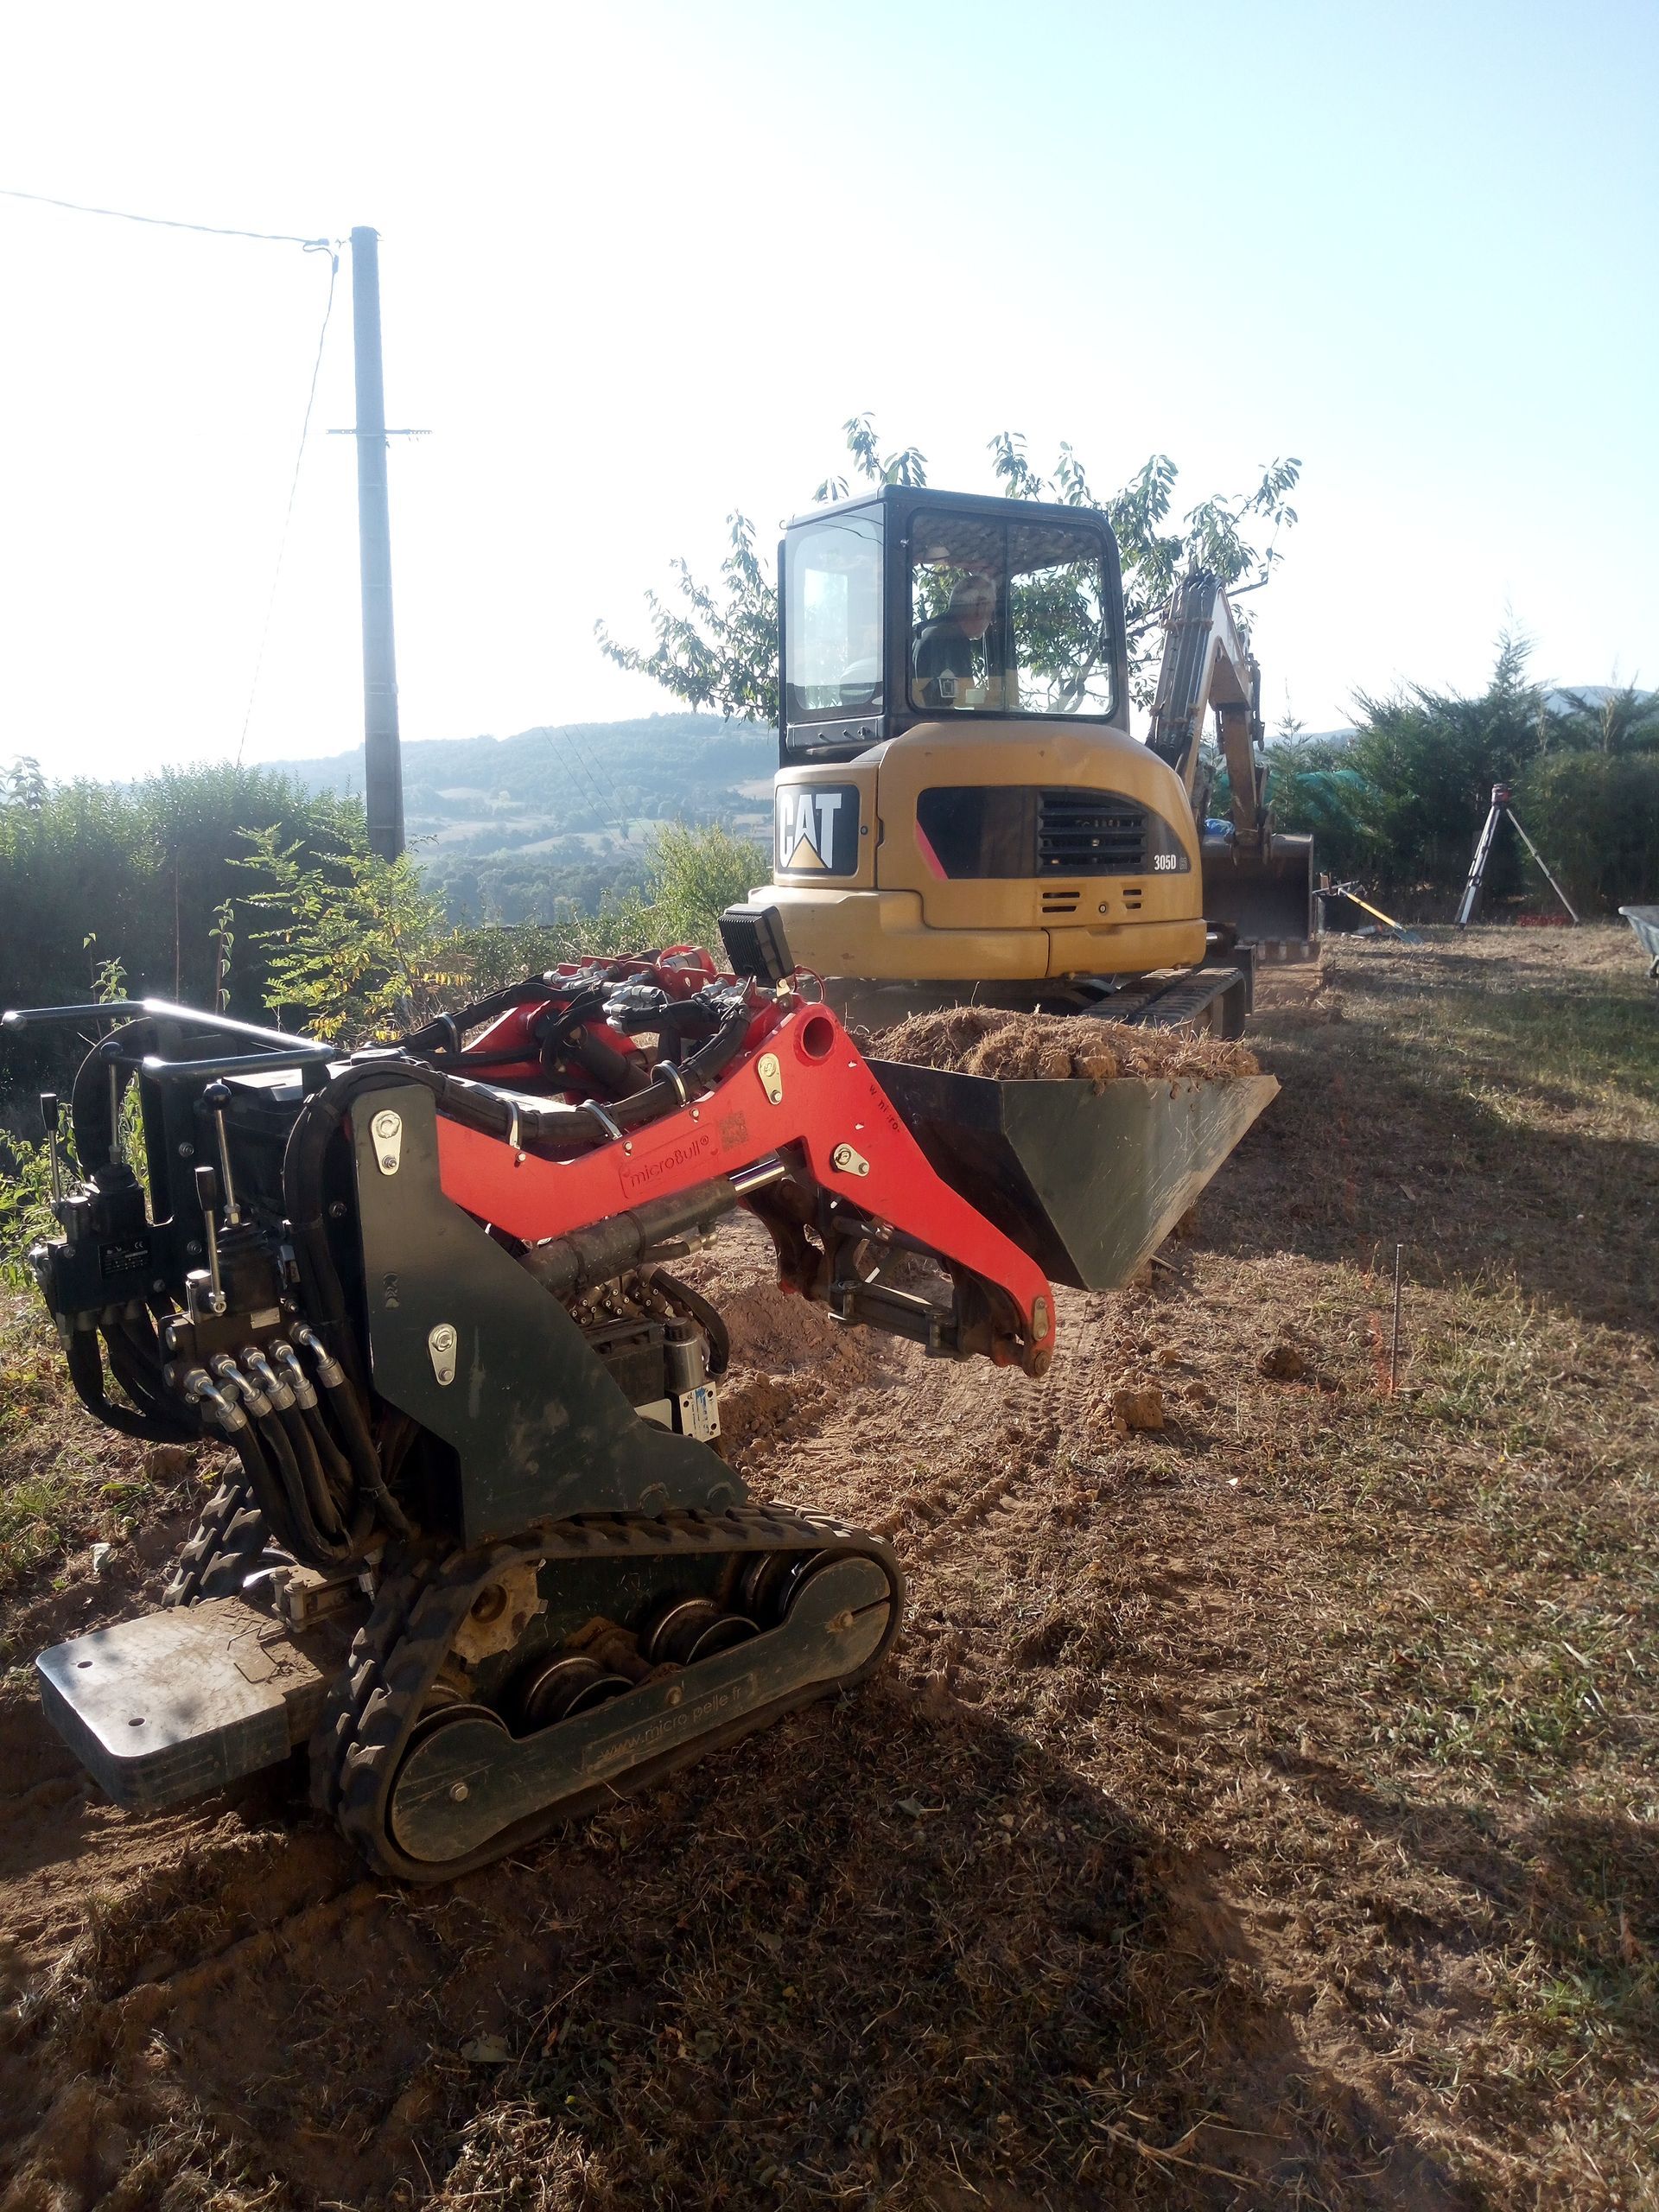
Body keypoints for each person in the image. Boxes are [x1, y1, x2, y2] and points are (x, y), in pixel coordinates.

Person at [913, 574, 996, 707]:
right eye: (992, 612)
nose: (992, 622)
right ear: (982, 607)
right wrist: (993, 699)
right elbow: (960, 701)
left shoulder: (923, 630)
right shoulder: (951, 638)